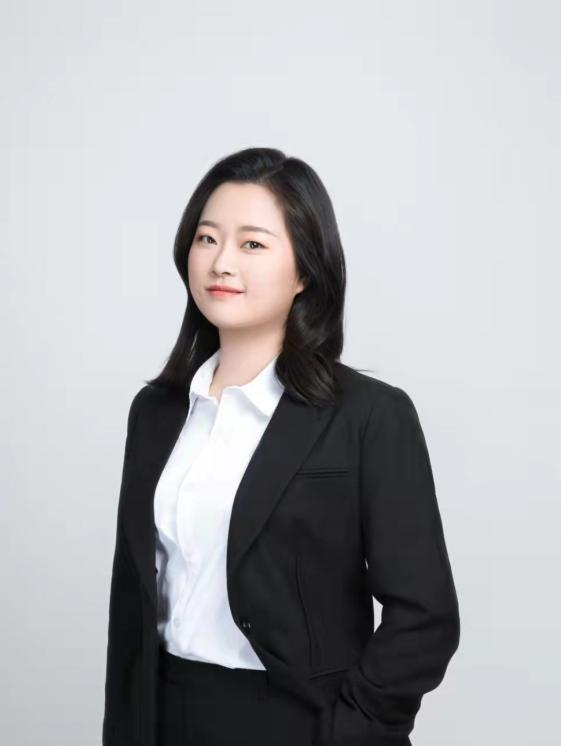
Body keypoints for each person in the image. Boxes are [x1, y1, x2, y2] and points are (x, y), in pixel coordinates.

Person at [102, 147, 460, 746]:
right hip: (166, 714)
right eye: (207, 238)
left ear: (304, 273)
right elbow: (131, 608)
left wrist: (349, 730)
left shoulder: (369, 415)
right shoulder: (157, 414)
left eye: (252, 244)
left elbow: (425, 617)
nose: (221, 262)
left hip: (300, 722)